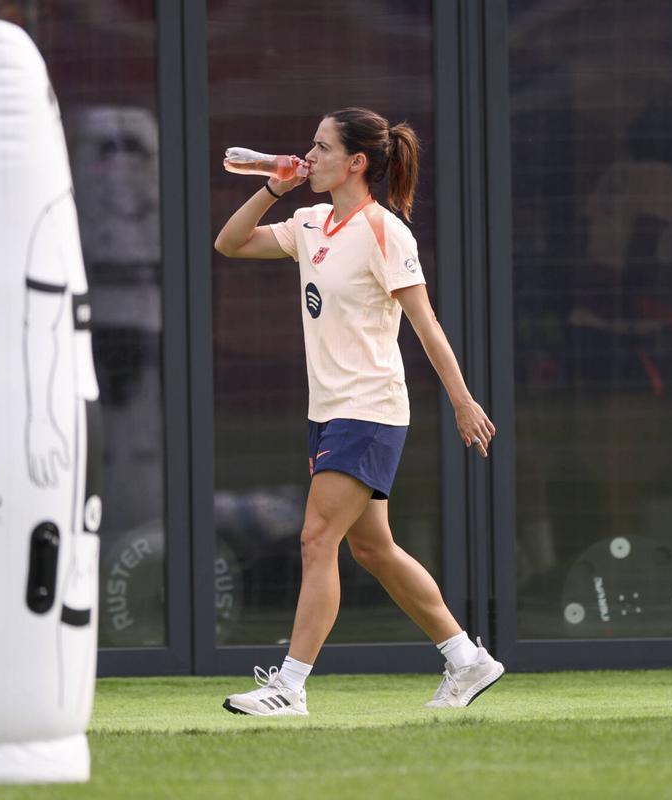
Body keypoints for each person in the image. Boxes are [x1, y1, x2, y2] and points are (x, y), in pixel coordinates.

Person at [213, 107, 503, 715]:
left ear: (357, 162)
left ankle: (289, 687)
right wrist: (273, 185)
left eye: (321, 148)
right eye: (309, 146)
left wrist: (462, 400)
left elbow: (426, 325)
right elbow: (230, 243)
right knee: (372, 549)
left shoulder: (385, 231)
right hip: (329, 411)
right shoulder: (312, 221)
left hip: (369, 409)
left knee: (317, 539)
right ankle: (466, 659)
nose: (308, 156)